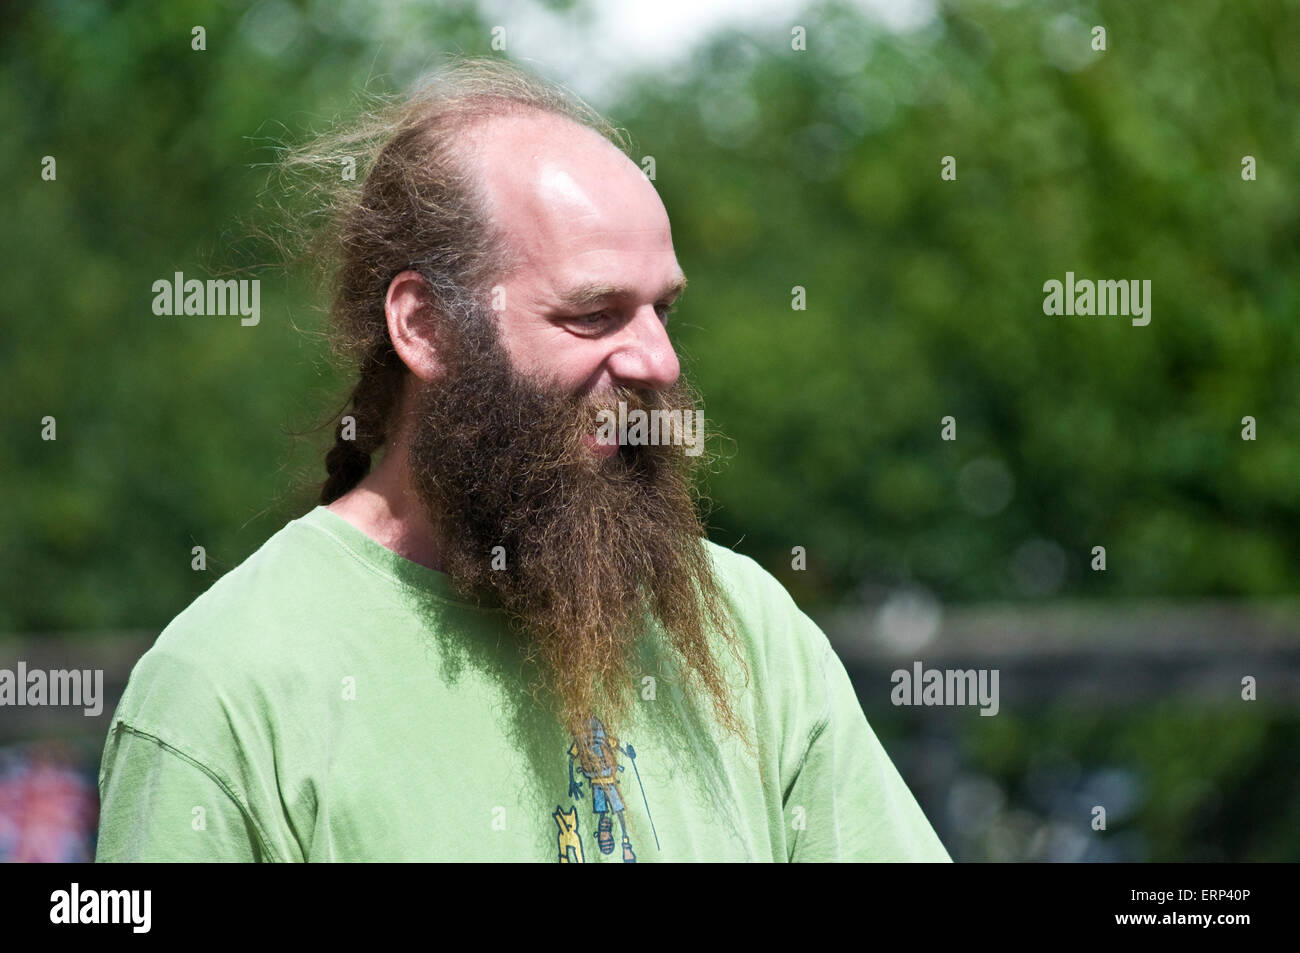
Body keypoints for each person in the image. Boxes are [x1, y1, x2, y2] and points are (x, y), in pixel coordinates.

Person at [95, 57, 950, 863]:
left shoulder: (746, 631)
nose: (659, 361)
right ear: (424, 327)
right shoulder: (224, 687)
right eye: (593, 314)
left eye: (662, 309)